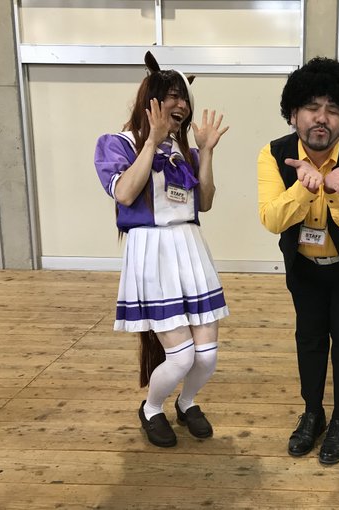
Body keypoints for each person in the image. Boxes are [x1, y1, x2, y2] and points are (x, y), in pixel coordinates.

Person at [94, 51, 230, 448]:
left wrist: (206, 152)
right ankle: (152, 408)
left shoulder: (183, 150)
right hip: (152, 252)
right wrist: (151, 142)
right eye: (173, 95)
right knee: (182, 356)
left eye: (184, 97)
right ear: (150, 99)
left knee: (207, 355)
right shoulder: (116, 144)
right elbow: (124, 193)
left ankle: (187, 403)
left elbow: (205, 202)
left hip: (190, 247)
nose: (182, 104)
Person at [257, 57, 339, 465]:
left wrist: (332, 188)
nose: (321, 118)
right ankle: (313, 412)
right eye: (312, 107)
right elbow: (272, 219)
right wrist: (307, 187)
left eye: (333, 109)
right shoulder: (274, 154)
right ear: (294, 114)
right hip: (305, 266)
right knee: (309, 338)